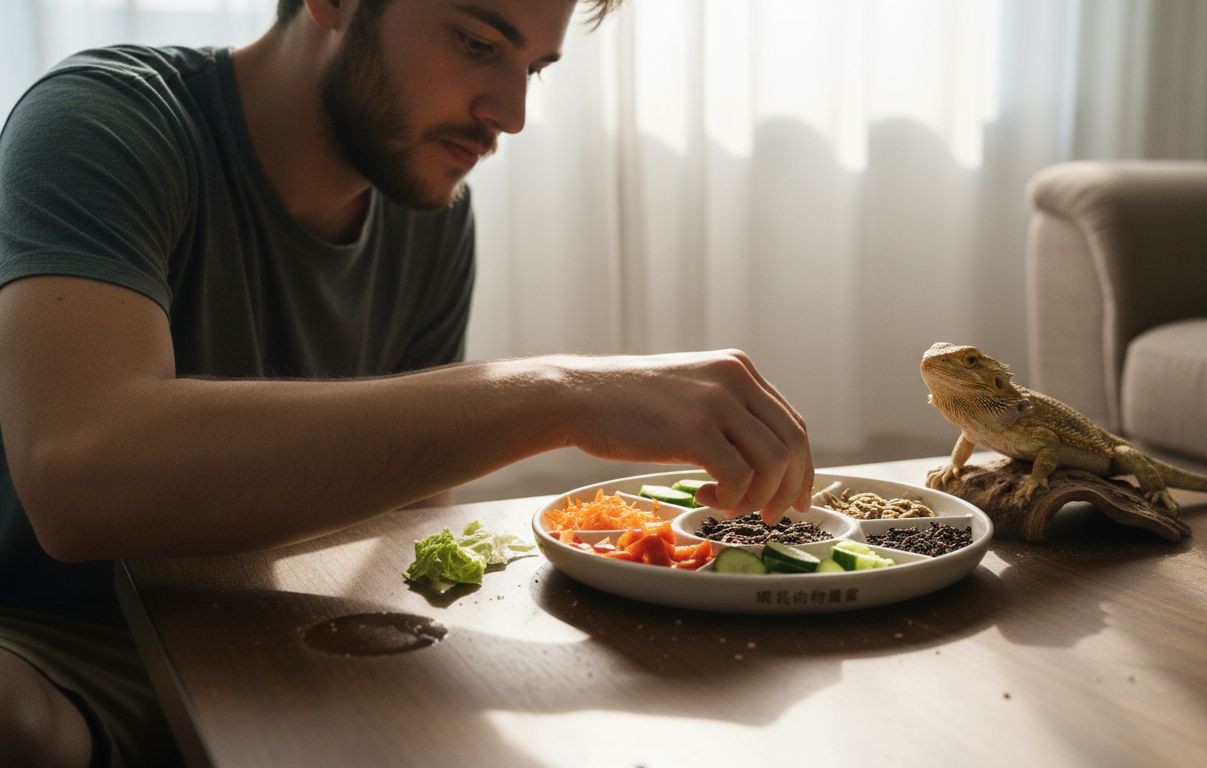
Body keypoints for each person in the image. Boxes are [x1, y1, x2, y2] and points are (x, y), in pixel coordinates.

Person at [0, 0, 814, 765]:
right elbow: (80, 477)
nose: (510, 113)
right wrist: (558, 391)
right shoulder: (106, 121)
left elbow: (401, 533)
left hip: (270, 632)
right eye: (477, 43)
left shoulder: (428, 210)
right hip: (53, 638)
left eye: (532, 68)